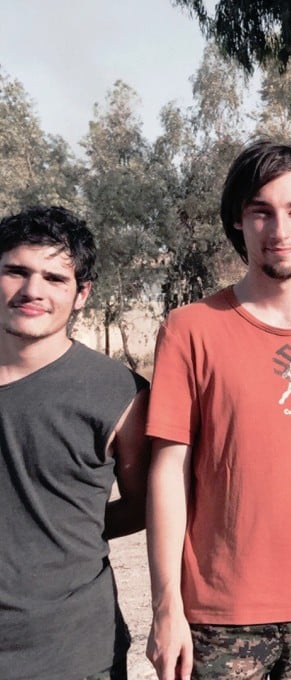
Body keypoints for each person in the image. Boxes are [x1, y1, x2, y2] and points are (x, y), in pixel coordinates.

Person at [145, 140, 291, 680]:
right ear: (238, 220)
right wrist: (166, 607)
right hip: (220, 617)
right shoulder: (190, 329)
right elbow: (168, 473)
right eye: (261, 211)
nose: (280, 229)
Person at [0, 206, 150, 679]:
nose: (32, 291)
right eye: (15, 271)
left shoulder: (121, 395)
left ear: (82, 294)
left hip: (75, 653)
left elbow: (147, 505)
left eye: (54, 278)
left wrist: (67, 528)